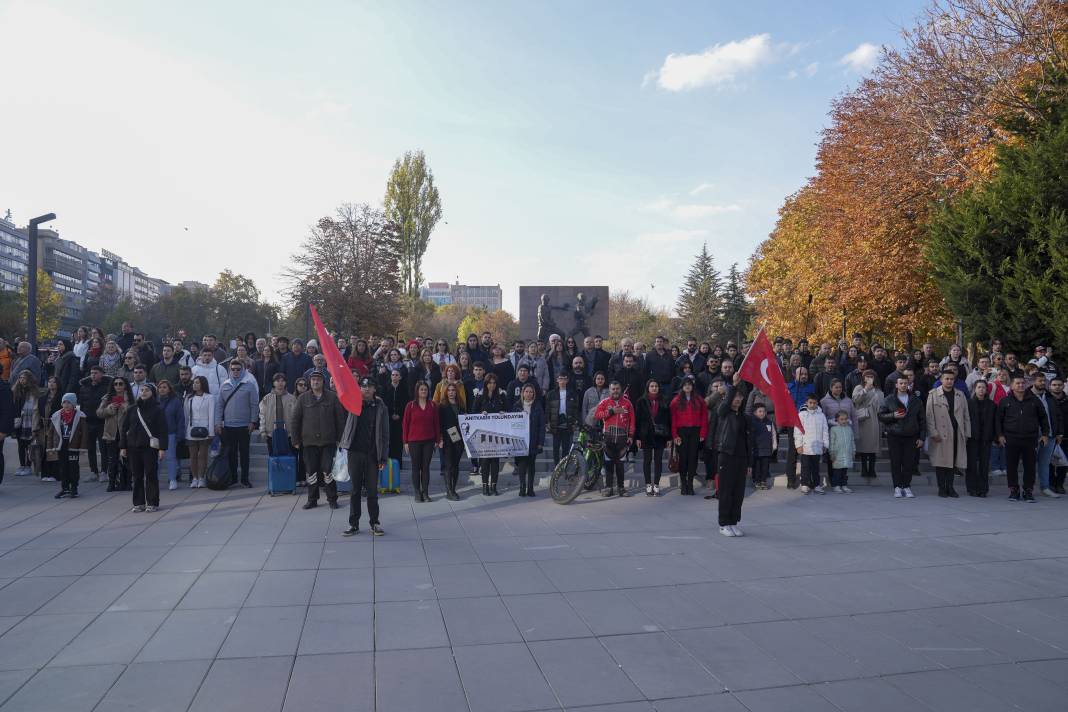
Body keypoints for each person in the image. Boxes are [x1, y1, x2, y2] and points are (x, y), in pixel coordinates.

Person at [340, 377, 390, 536]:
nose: (366, 389)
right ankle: (353, 524)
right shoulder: (353, 403)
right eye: (363, 386)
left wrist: (383, 456)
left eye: (370, 386)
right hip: (355, 452)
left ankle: (374, 523)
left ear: (375, 389)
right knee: (355, 490)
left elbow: (385, 433)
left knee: (372, 491)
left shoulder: (380, 406)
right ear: (359, 389)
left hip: (372, 454)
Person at [291, 369, 346, 509]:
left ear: (323, 382)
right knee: (311, 472)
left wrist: (341, 438)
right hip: (308, 442)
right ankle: (312, 499)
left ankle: (332, 499)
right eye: (313, 380)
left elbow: (340, 420)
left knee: (327, 471)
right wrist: (295, 439)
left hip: (328, 441)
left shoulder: (332, 397)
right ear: (310, 382)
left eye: (318, 380)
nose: (316, 382)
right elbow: (295, 420)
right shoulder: (303, 398)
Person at [996, 375, 1050, 502]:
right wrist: (1000, 435)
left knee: (1030, 466)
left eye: (1022, 383)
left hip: (1030, 439)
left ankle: (1028, 491)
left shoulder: (1034, 400)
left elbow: (1043, 418)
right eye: (1018, 383)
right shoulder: (1005, 401)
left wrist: (1045, 434)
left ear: (1026, 385)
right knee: (1011, 466)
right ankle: (1014, 490)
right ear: (1012, 386)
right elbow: (998, 420)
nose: (1020, 385)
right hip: (1011, 438)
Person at [119, 383, 168, 512]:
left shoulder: (158, 410)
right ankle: (138, 503)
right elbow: (124, 428)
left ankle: (152, 502)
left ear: (152, 393)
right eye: (142, 390)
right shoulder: (132, 409)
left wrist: (162, 448)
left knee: (151, 475)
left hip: (149, 448)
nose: (144, 392)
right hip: (133, 447)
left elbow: (162, 430)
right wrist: (123, 446)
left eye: (147, 390)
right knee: (136, 476)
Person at [214, 360, 259, 488]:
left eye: (238, 369)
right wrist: (217, 422)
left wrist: (253, 421)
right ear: (229, 370)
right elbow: (219, 406)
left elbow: (254, 405)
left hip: (245, 426)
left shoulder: (249, 385)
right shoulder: (225, 385)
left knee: (244, 453)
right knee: (231, 453)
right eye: (233, 369)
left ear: (243, 370)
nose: (235, 371)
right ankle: (233, 478)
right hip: (228, 426)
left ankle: (245, 479)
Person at [879, 377, 925, 498]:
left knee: (908, 462)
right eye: (901, 383)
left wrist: (922, 437)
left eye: (906, 383)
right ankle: (897, 487)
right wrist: (893, 415)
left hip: (911, 435)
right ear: (896, 385)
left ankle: (907, 486)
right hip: (894, 435)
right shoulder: (889, 399)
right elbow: (881, 416)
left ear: (909, 385)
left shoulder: (916, 400)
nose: (904, 385)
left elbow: (922, 420)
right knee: (895, 462)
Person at [715, 389, 751, 537]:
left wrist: (749, 463)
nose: (737, 399)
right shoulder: (724, 413)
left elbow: (748, 441)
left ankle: (733, 522)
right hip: (727, 455)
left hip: (741, 458)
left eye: (740, 396)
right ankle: (723, 524)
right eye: (735, 397)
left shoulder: (744, 417)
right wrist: (733, 387)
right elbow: (722, 408)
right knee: (726, 491)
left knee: (738, 492)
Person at [594, 381, 635, 497]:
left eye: (617, 389)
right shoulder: (604, 402)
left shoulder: (627, 403)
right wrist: (611, 411)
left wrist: (631, 436)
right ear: (610, 390)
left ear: (621, 390)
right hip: (608, 438)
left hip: (622, 439)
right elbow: (597, 415)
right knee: (608, 464)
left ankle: (621, 488)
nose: (615, 391)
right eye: (613, 389)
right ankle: (608, 488)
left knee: (620, 464)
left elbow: (632, 421)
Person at [45, 392, 88, 498]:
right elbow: (50, 432)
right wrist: (50, 446)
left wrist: (83, 446)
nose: (66, 405)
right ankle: (64, 488)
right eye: (64, 402)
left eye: (69, 402)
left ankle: (74, 487)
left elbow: (85, 433)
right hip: (61, 445)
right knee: (63, 468)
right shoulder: (56, 416)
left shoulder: (80, 416)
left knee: (73, 467)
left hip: (73, 446)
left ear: (73, 404)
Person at [403, 381, 440, 503]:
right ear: (417, 391)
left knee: (425, 468)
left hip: (429, 441)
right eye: (421, 389)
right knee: (415, 467)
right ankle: (417, 492)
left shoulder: (432, 405)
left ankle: (425, 492)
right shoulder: (410, 405)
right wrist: (405, 442)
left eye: (425, 389)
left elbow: (436, 424)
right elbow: (405, 424)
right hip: (413, 441)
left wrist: (437, 439)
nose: (424, 391)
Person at [670, 376, 708, 495]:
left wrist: (702, 433)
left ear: (692, 386)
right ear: (682, 386)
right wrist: (675, 435)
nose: (687, 386)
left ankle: (690, 484)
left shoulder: (699, 400)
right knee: (683, 458)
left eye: (689, 384)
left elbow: (704, 418)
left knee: (693, 458)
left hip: (695, 431)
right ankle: (683, 483)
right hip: (681, 432)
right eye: (685, 384)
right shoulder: (675, 400)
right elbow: (673, 419)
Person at [473, 373, 508, 495]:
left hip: (497, 434)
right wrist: (480, 414)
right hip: (483, 435)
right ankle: (485, 486)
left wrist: (504, 412)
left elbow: (507, 412)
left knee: (495, 461)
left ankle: (494, 486)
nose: (492, 385)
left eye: (494, 383)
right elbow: (473, 413)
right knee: (484, 461)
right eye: (489, 383)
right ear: (486, 384)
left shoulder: (501, 397)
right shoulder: (479, 397)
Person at [635, 379, 671, 496]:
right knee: (647, 460)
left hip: (660, 436)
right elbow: (638, 421)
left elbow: (668, 420)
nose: (654, 388)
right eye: (652, 386)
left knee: (658, 461)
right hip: (646, 435)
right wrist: (637, 437)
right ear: (648, 388)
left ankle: (656, 484)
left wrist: (669, 438)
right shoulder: (641, 401)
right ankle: (648, 485)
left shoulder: (664, 401)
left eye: (656, 386)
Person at [513, 383, 545, 496]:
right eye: (526, 391)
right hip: (520, 441)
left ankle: (530, 488)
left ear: (534, 394)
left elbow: (542, 425)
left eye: (531, 392)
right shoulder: (517, 405)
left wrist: (541, 442)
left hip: (533, 440)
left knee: (531, 465)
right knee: (522, 465)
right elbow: (511, 423)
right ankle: (522, 487)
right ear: (522, 393)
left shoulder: (538, 406)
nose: (528, 394)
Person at [851, 370, 883, 481]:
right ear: (863, 378)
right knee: (864, 446)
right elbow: (855, 400)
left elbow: (882, 405)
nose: (869, 378)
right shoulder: (858, 388)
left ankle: (872, 469)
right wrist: (865, 390)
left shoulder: (878, 390)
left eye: (871, 376)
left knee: (873, 446)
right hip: (863, 419)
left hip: (875, 419)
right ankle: (864, 469)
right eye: (867, 376)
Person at [184, 375, 215, 488]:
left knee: (203, 455)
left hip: (205, 428)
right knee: (193, 456)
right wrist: (185, 430)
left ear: (203, 384)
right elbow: (186, 415)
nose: (195, 385)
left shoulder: (210, 397)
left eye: (197, 383)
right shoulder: (189, 398)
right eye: (194, 383)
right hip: (191, 429)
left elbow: (211, 415)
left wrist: (211, 432)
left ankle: (201, 478)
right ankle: (194, 478)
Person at [966, 379, 995, 497]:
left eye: (983, 387)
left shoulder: (992, 404)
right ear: (975, 389)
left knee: (984, 465)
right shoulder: (969, 403)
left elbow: (995, 421)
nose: (981, 389)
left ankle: (983, 489)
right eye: (979, 387)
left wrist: (995, 436)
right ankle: (971, 488)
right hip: (972, 438)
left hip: (986, 439)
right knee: (971, 464)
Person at [795, 394, 829, 494]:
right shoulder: (802, 415)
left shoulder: (821, 415)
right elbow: (798, 431)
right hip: (806, 446)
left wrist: (825, 444)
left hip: (817, 447)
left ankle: (816, 485)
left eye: (814, 403)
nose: (812, 404)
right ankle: (805, 484)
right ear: (806, 403)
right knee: (805, 467)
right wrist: (798, 445)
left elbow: (825, 431)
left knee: (816, 467)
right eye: (810, 402)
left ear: (817, 403)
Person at [156, 380, 187, 491]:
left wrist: (180, 434)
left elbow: (180, 419)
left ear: (169, 389)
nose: (162, 389)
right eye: (160, 387)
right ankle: (155, 480)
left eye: (164, 387)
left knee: (170, 458)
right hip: (156, 434)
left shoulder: (175, 401)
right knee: (155, 459)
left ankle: (172, 479)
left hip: (170, 433)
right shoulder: (154, 401)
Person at [438, 382, 465, 500]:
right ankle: (449, 491)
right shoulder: (442, 406)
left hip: (459, 438)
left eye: (453, 390)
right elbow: (439, 424)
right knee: (448, 465)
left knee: (455, 465)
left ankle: (453, 489)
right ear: (446, 392)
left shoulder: (461, 405)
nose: (451, 392)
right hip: (447, 438)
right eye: (449, 390)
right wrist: (440, 438)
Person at [11, 370, 41, 477]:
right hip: (19, 421)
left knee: (29, 445)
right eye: (20, 378)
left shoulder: (34, 391)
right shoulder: (16, 390)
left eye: (23, 378)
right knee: (20, 444)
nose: (21, 380)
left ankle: (28, 466)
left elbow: (36, 407)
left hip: (30, 421)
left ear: (29, 379)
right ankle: (22, 465)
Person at [259, 372, 296, 457]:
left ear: (285, 382)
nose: (280, 383)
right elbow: (262, 415)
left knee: (288, 459)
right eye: (277, 381)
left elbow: (296, 417)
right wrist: (262, 430)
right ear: (273, 383)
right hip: (271, 433)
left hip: (288, 434)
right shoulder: (266, 398)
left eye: (282, 381)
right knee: (274, 459)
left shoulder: (292, 398)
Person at [546, 372, 580, 464]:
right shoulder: (551, 394)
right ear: (557, 380)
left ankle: (564, 466)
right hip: (555, 424)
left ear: (567, 380)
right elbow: (548, 410)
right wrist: (548, 422)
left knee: (566, 447)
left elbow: (575, 409)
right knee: (555, 447)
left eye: (564, 378)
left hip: (567, 424)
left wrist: (575, 423)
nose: (562, 381)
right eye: (560, 378)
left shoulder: (572, 393)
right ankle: (556, 466)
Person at [828, 410, 855, 493]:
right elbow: (832, 442)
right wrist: (832, 453)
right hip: (837, 454)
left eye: (845, 419)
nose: (844, 421)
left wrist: (853, 451)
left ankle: (844, 485)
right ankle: (836, 485)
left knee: (844, 471)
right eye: (841, 419)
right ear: (837, 420)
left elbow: (852, 441)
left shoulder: (849, 429)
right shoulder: (833, 429)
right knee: (837, 471)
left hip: (847, 453)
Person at [749, 403, 774, 490]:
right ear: (755, 413)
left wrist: (773, 446)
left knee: (765, 467)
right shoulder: (752, 422)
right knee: (757, 467)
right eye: (760, 411)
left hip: (766, 449)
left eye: (763, 411)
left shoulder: (769, 422)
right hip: (757, 449)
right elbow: (750, 436)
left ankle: (763, 481)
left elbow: (773, 435)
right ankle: (756, 480)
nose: (762, 413)